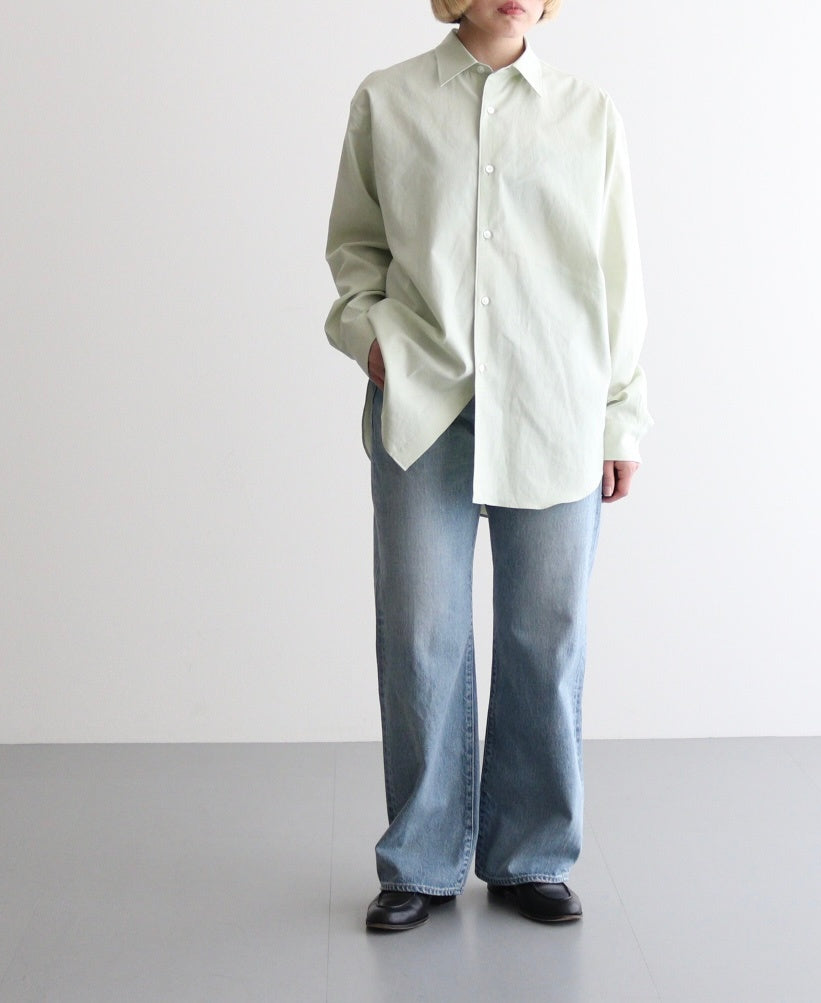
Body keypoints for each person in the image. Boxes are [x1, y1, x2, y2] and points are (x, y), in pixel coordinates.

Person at [324, 0, 654, 932]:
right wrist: (370, 337)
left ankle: (529, 855)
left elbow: (618, 277)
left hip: (554, 406)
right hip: (425, 408)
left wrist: (620, 418)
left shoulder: (588, 112)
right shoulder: (386, 101)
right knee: (420, 634)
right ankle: (421, 862)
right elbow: (354, 251)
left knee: (545, 637)